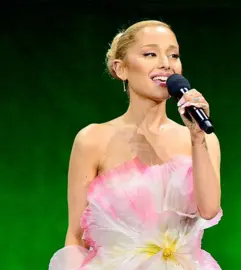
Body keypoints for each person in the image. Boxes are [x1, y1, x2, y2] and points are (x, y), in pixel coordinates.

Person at [49, 20, 222, 269]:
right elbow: (76, 235)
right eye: (150, 54)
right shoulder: (93, 139)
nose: (166, 63)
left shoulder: (203, 139)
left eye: (173, 55)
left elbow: (209, 210)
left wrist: (197, 138)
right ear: (121, 69)